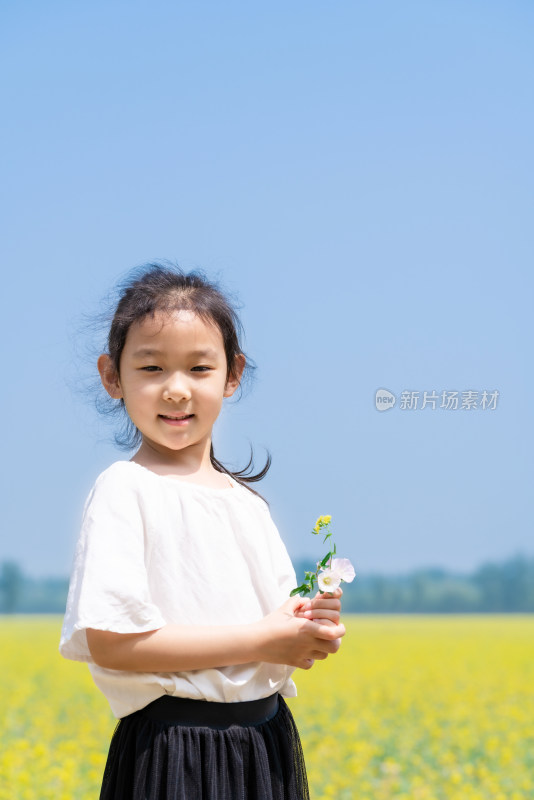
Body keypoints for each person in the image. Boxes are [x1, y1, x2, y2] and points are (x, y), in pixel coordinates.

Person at [59, 263, 345, 800]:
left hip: (265, 742)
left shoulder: (247, 506)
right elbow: (112, 644)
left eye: (198, 368)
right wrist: (265, 639)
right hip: (173, 751)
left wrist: (308, 628)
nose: (175, 390)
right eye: (151, 368)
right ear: (111, 376)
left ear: (231, 375)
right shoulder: (125, 490)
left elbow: (276, 631)